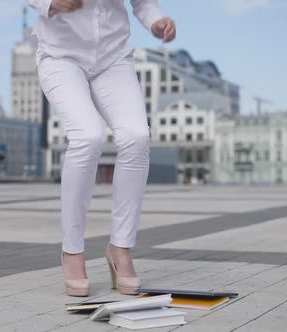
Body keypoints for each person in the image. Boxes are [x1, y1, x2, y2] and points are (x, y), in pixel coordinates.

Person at [28, 0, 176, 296]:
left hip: (112, 57)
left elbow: (143, 3)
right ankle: (72, 251)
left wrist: (156, 20)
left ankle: (120, 249)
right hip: (61, 55)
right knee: (87, 137)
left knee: (136, 137)